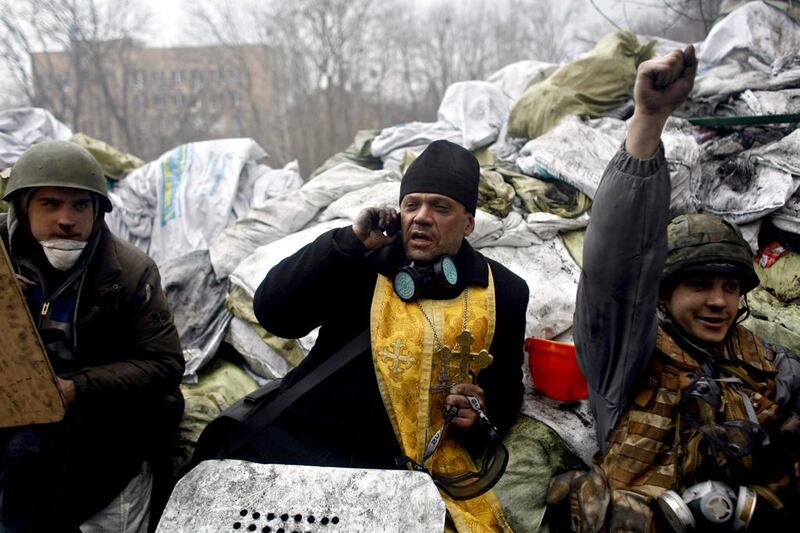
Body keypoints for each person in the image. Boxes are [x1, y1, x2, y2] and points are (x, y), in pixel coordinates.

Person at [547, 46, 800, 531]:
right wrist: (648, 119)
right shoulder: (625, 356)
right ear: (662, 296)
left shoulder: (773, 366)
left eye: (730, 287)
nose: (718, 301)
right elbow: (616, 266)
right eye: (699, 286)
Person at [231, 140, 529, 531]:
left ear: (469, 222)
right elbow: (275, 313)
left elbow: (506, 394)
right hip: (310, 449)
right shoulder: (362, 262)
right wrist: (348, 242)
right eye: (412, 205)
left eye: (440, 207)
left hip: (412, 476)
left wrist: (478, 415)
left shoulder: (502, 292)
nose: (421, 217)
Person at [0, 141, 185, 532]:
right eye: (50, 204)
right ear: (21, 207)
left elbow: (164, 364)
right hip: (16, 404)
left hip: (102, 415)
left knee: (34, 462)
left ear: (97, 211)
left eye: (80, 205)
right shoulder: (1, 255)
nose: (67, 219)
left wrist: (76, 387)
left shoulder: (130, 272)